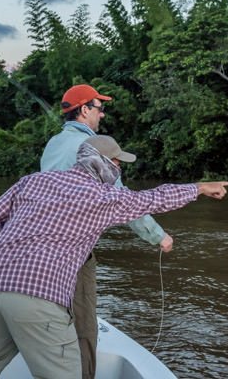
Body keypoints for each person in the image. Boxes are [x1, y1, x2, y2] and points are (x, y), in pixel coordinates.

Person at [0, 136, 228, 379]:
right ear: (104, 164)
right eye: (117, 161)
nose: (120, 168)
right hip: (38, 294)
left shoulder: (33, 180)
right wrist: (199, 188)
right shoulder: (102, 197)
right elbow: (154, 199)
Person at [40, 84, 172, 379]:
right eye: (100, 108)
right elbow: (122, 200)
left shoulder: (51, 145)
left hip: (40, 251)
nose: (103, 114)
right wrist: (159, 236)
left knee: (55, 317)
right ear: (84, 110)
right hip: (74, 251)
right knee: (85, 325)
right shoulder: (93, 148)